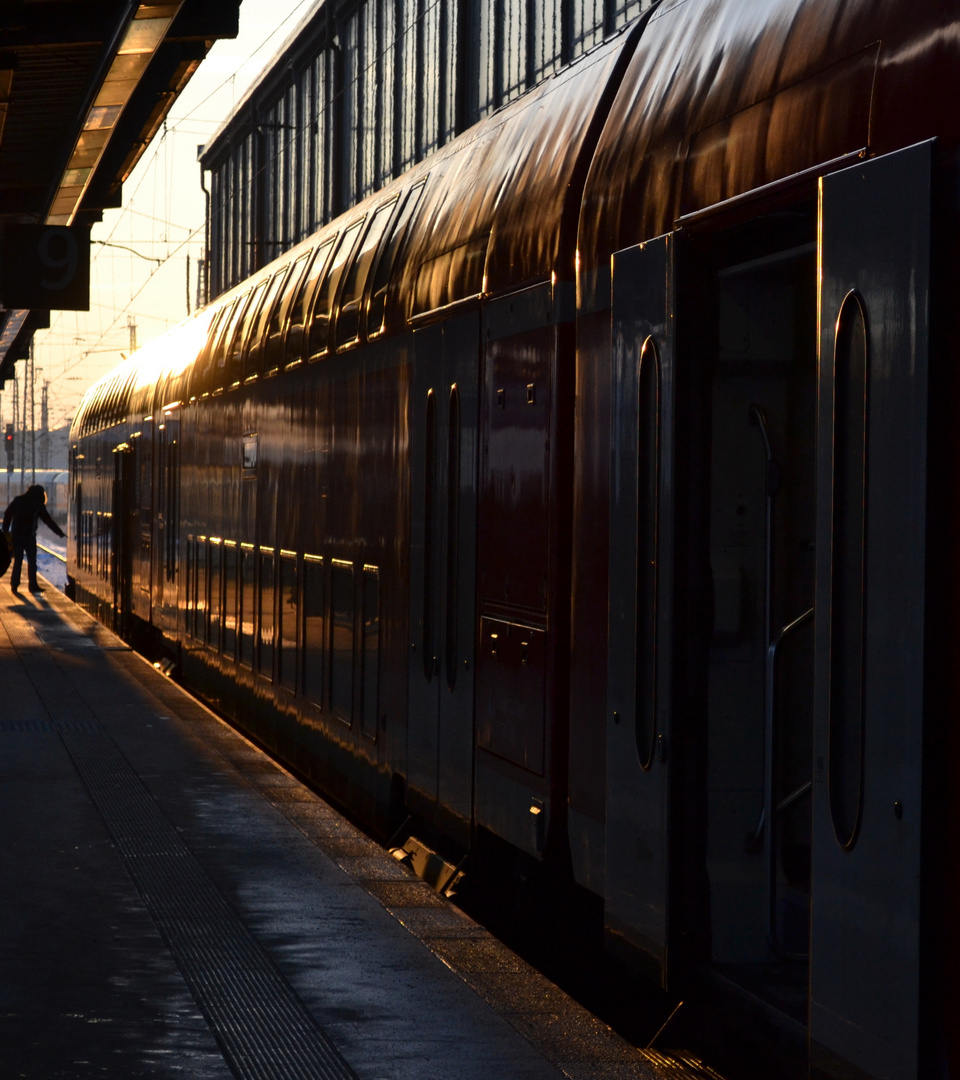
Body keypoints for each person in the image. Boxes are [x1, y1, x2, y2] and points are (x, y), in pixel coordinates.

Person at [2, 484, 65, 594]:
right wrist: (59, 532)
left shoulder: (18, 500)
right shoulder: (38, 504)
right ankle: (33, 585)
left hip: (16, 536)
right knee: (32, 562)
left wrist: (5, 531)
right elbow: (48, 520)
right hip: (29, 537)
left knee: (18, 561)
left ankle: (14, 585)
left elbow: (8, 514)